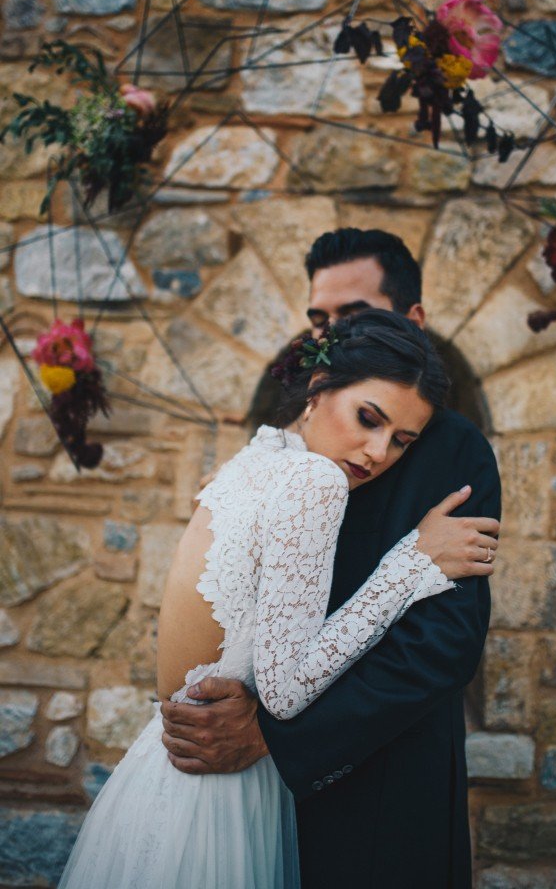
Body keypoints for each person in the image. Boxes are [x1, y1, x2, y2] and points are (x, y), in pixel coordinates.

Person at [57, 309, 498, 889]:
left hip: (160, 775)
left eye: (400, 441)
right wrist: (409, 564)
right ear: (318, 388)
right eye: (368, 418)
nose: (376, 452)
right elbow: (285, 694)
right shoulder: (315, 481)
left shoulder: (257, 458)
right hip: (218, 791)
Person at [161, 229, 502, 889]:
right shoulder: (283, 453)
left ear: (413, 319)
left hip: (381, 782)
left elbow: (443, 643)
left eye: (354, 315)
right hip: (252, 785)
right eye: (320, 319)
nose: (331, 334)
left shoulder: (454, 450)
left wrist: (273, 737)